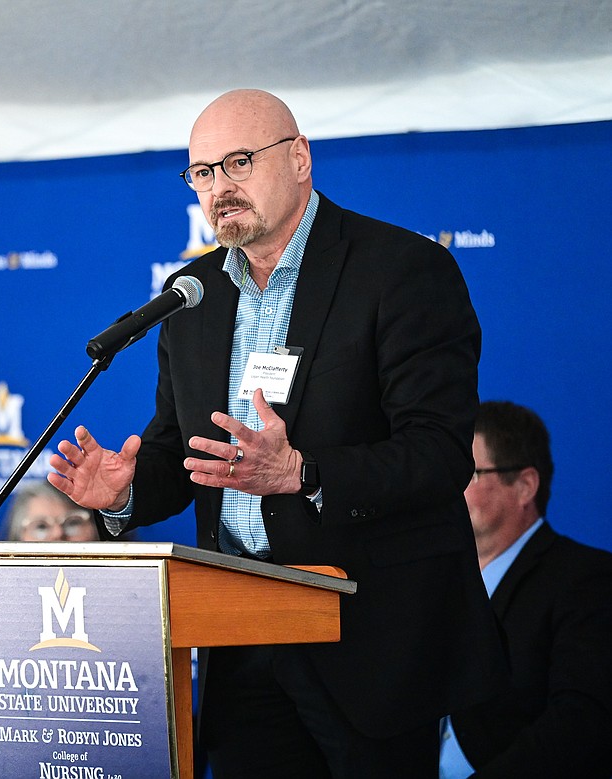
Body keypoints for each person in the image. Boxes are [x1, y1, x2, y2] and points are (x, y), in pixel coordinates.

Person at [47, 88, 508, 777]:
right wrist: (123, 492)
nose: (219, 188)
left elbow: (438, 454)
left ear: (298, 159)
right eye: (202, 172)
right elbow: (182, 451)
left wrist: (305, 472)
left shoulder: (402, 270)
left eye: (237, 162)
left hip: (369, 638)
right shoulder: (191, 295)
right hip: (239, 634)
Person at [439, 401, 612, 777]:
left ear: (524, 486)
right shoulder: (432, 584)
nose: (448, 490)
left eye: (467, 474)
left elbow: (579, 725)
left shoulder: (587, 580)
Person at [0, 480, 101, 778]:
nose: (57, 535)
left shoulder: (132, 607)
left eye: (73, 522)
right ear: (17, 539)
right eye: (41, 526)